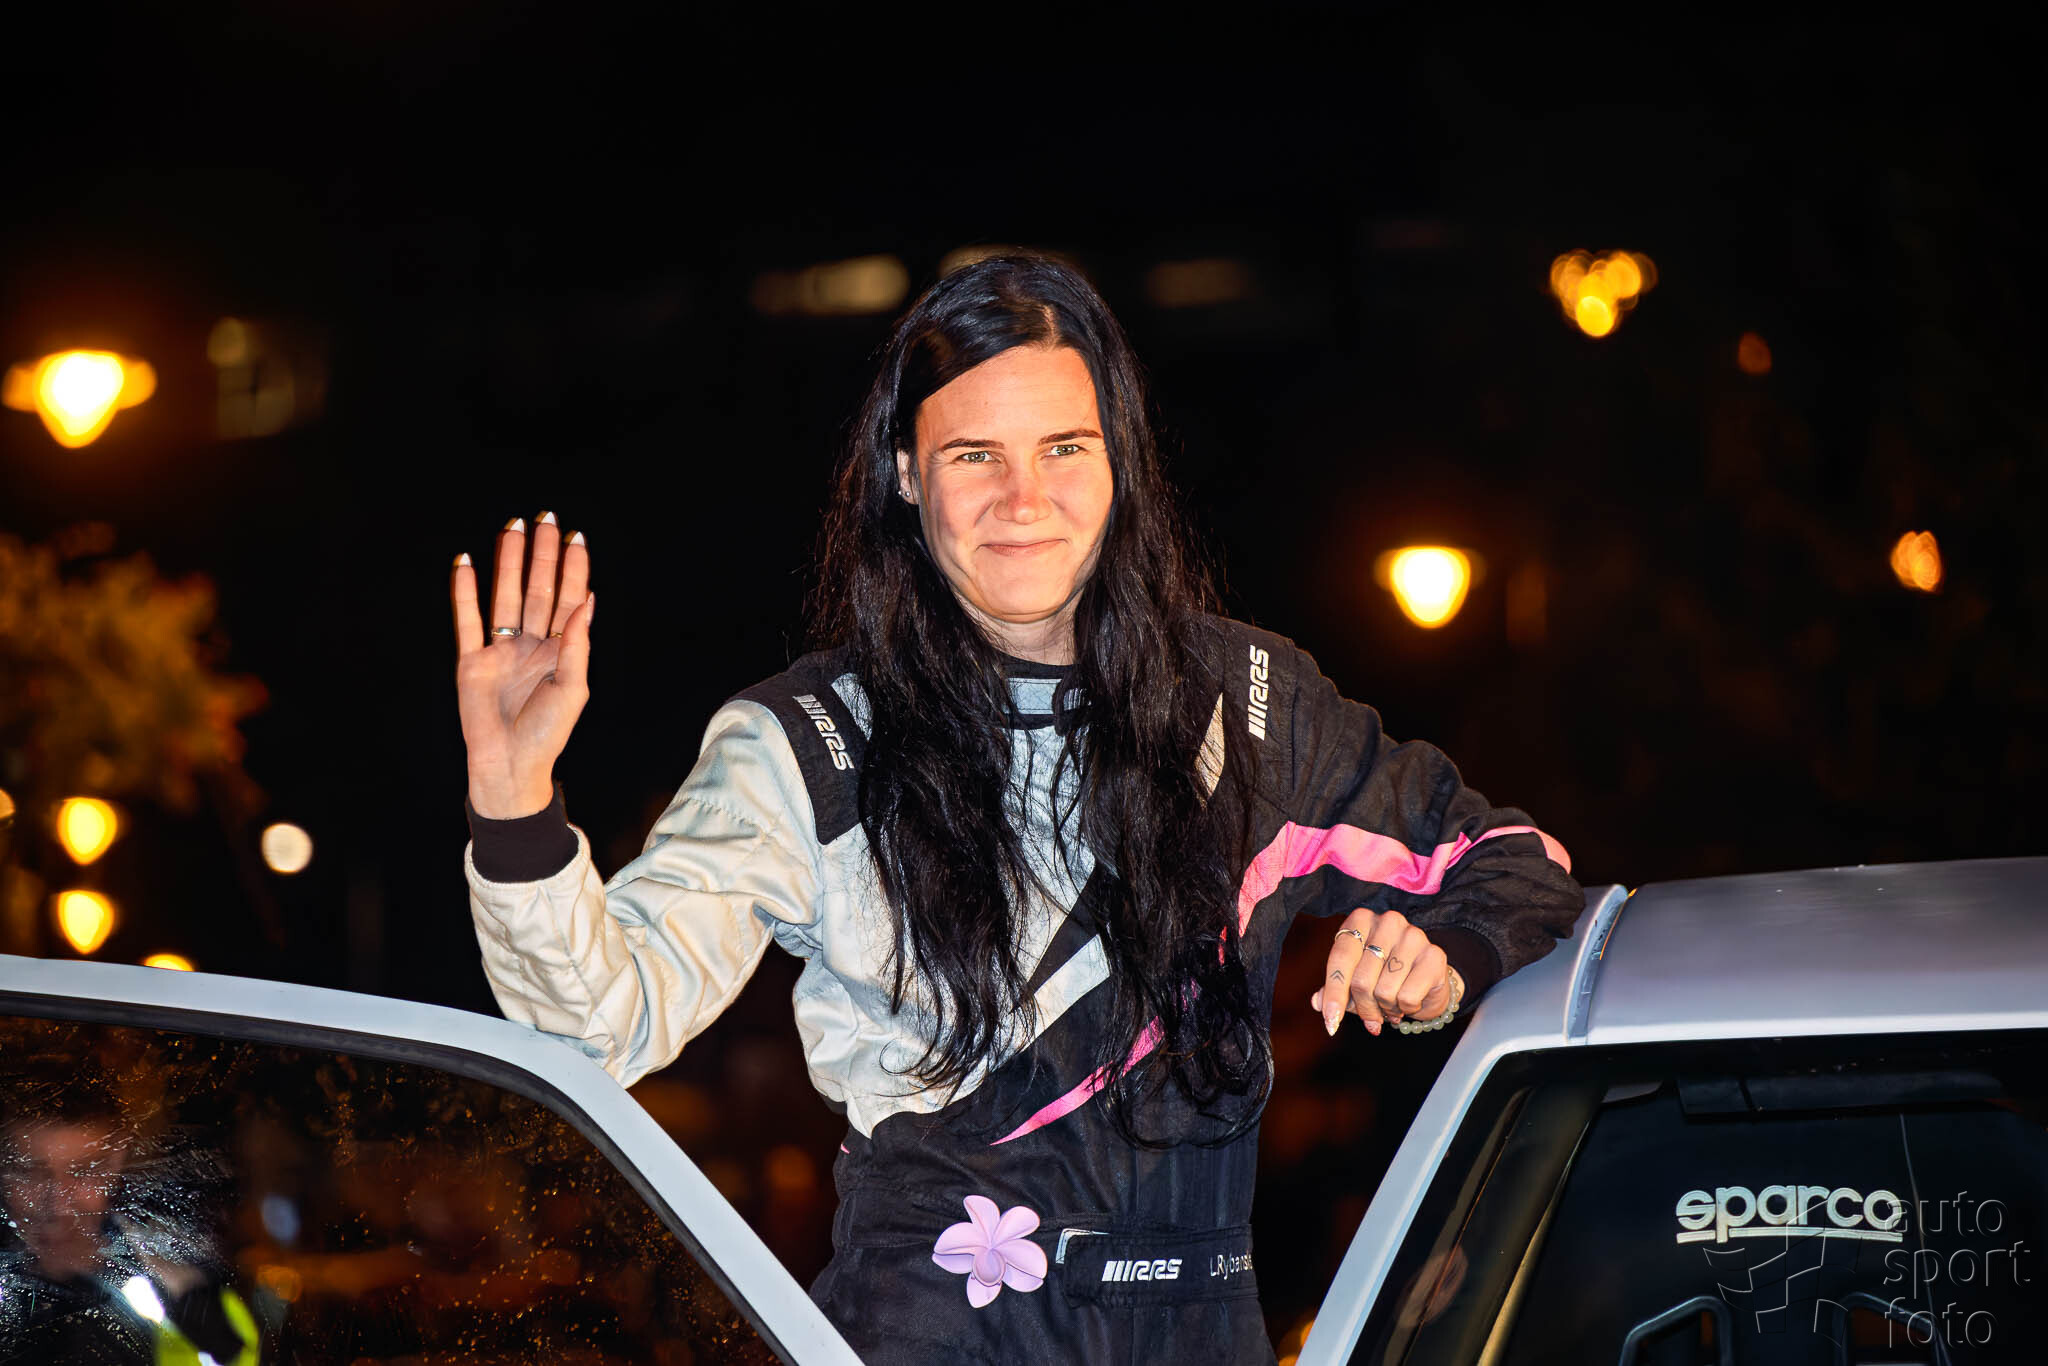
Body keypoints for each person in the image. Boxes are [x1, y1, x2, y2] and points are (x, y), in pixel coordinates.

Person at [452, 252, 1584, 1364]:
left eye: (1064, 448)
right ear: (907, 475)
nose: (1023, 499)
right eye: (973, 455)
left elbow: (1516, 862)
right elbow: (597, 1024)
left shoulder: (1249, 707)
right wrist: (513, 799)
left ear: (1118, 460)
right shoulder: (805, 741)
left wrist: (1442, 963)